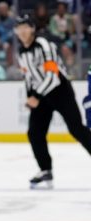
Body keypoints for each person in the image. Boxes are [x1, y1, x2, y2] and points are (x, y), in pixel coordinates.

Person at [15, 14, 91, 189]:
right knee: (34, 133)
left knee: (77, 129)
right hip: (41, 95)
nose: (23, 31)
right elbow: (28, 77)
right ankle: (45, 170)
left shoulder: (44, 45)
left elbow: (53, 75)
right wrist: (29, 96)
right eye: (19, 27)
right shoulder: (21, 51)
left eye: (26, 26)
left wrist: (36, 96)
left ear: (32, 28)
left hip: (60, 91)